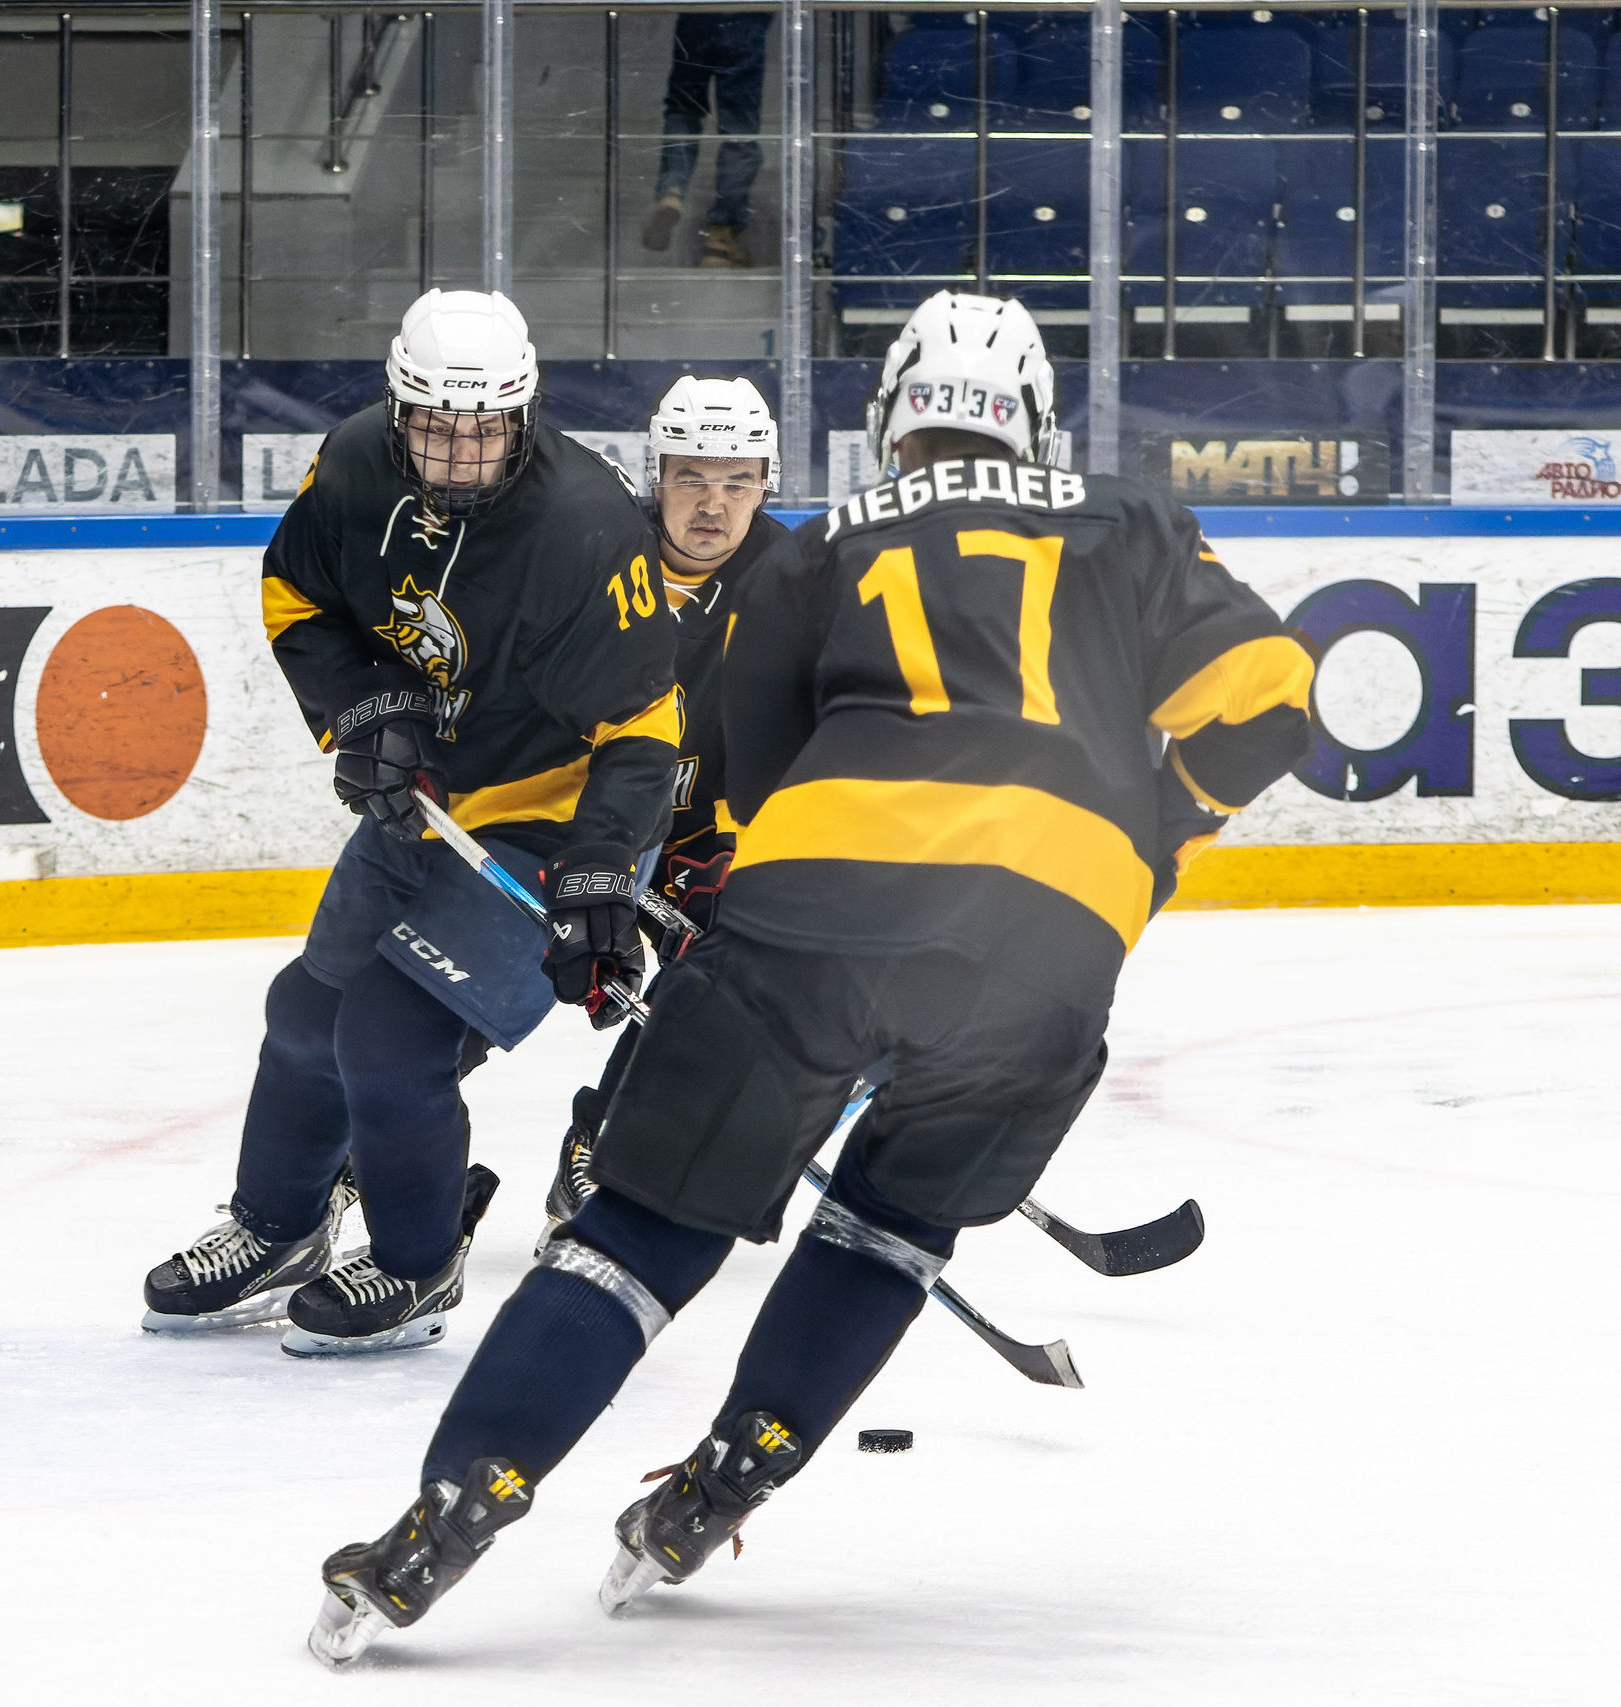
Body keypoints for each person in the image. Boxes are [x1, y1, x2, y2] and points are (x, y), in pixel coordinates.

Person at [307, 290, 1318, 1664]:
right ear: (1035, 416)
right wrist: (1144, 838)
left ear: (890, 413)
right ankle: (724, 1482)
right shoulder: (1128, 519)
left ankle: (452, 1507)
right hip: (1049, 953)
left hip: (816, 915)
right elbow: (1272, 698)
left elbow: (739, 765)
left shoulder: (818, 547)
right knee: (889, 1230)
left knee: (637, 1234)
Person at [139, 289, 680, 1357]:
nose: (460, 454)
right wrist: (365, 708)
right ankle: (276, 1227)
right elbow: (298, 598)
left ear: (522, 415)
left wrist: (598, 875)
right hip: (427, 805)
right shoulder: (350, 467)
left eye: (484, 431)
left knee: (388, 1038)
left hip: (555, 824)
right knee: (306, 1014)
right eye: (436, 427)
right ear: (397, 410)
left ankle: (415, 1261)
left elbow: (644, 725)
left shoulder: (586, 527)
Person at [536, 373, 794, 1241]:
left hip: (700, 833)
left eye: (737, 481)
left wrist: (732, 849)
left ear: (770, 481)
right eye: (691, 478)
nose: (713, 505)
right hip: (577, 818)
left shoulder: (798, 585)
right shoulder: (592, 555)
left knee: (715, 976)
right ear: (655, 476)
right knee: (462, 995)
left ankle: (602, 1140)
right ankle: (355, 1163)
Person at [645, 13, 770, 269]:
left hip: (696, 13)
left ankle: (672, 191)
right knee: (739, 130)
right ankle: (720, 240)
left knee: (683, 109)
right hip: (746, 15)